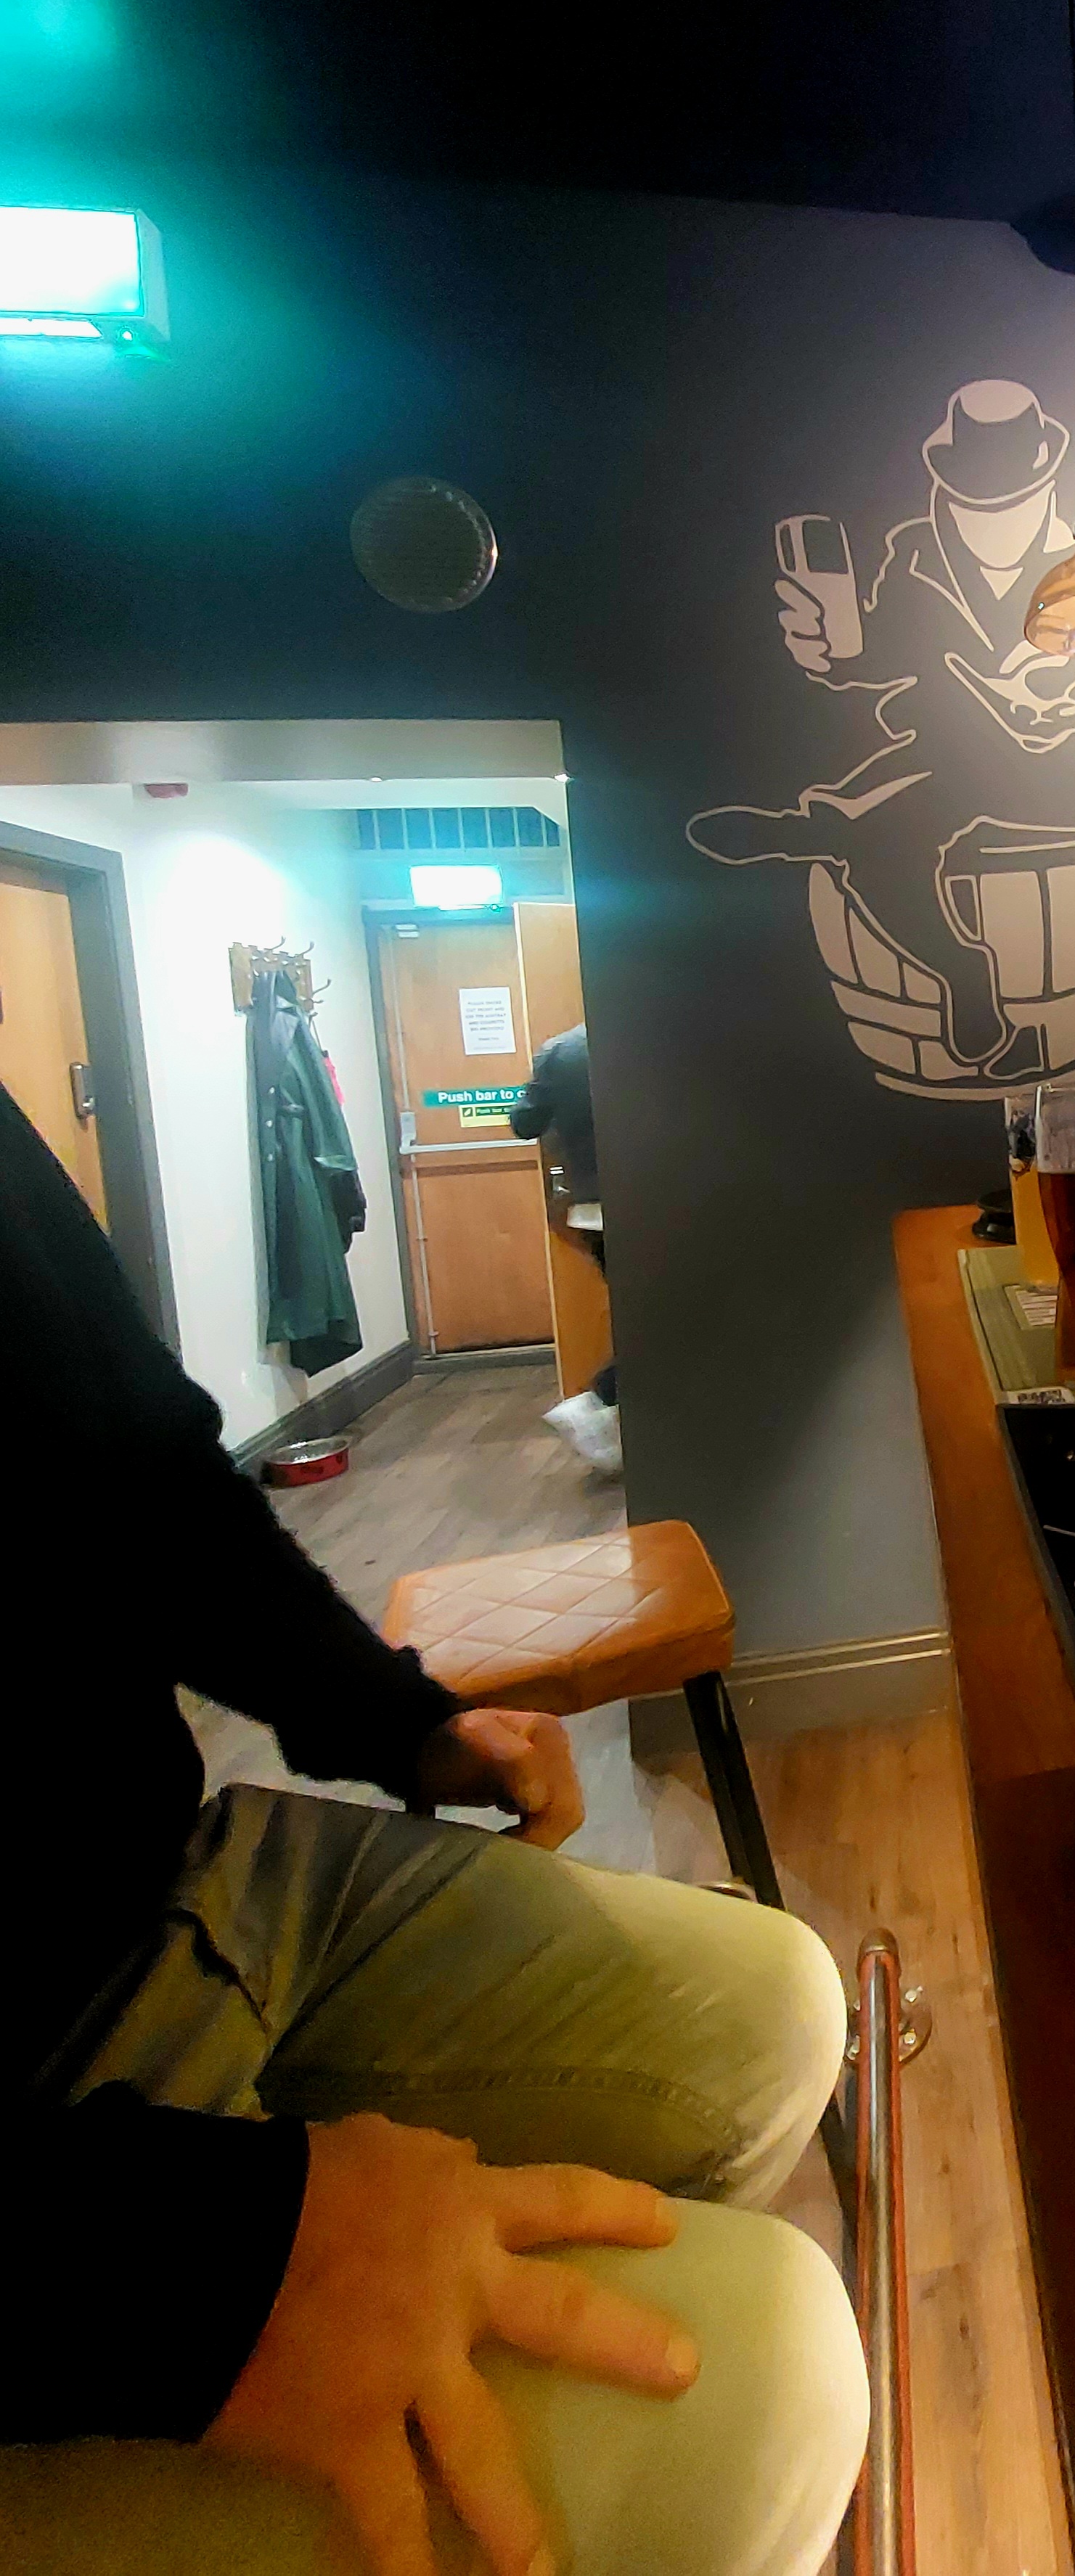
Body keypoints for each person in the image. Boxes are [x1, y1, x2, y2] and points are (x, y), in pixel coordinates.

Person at [0, 1080, 866, 2576]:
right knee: (764, 2385)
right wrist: (197, 2275)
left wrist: (396, 1717)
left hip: (177, 1880)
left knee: (776, 2008)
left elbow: (149, 1485)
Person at [509, 1022, 620, 1477]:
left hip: (598, 1210)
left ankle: (604, 1405)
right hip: (671, 1203)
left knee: (649, 1319)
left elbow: (524, 1123)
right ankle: (601, 1400)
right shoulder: (668, 1032)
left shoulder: (562, 1051)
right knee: (674, 1320)